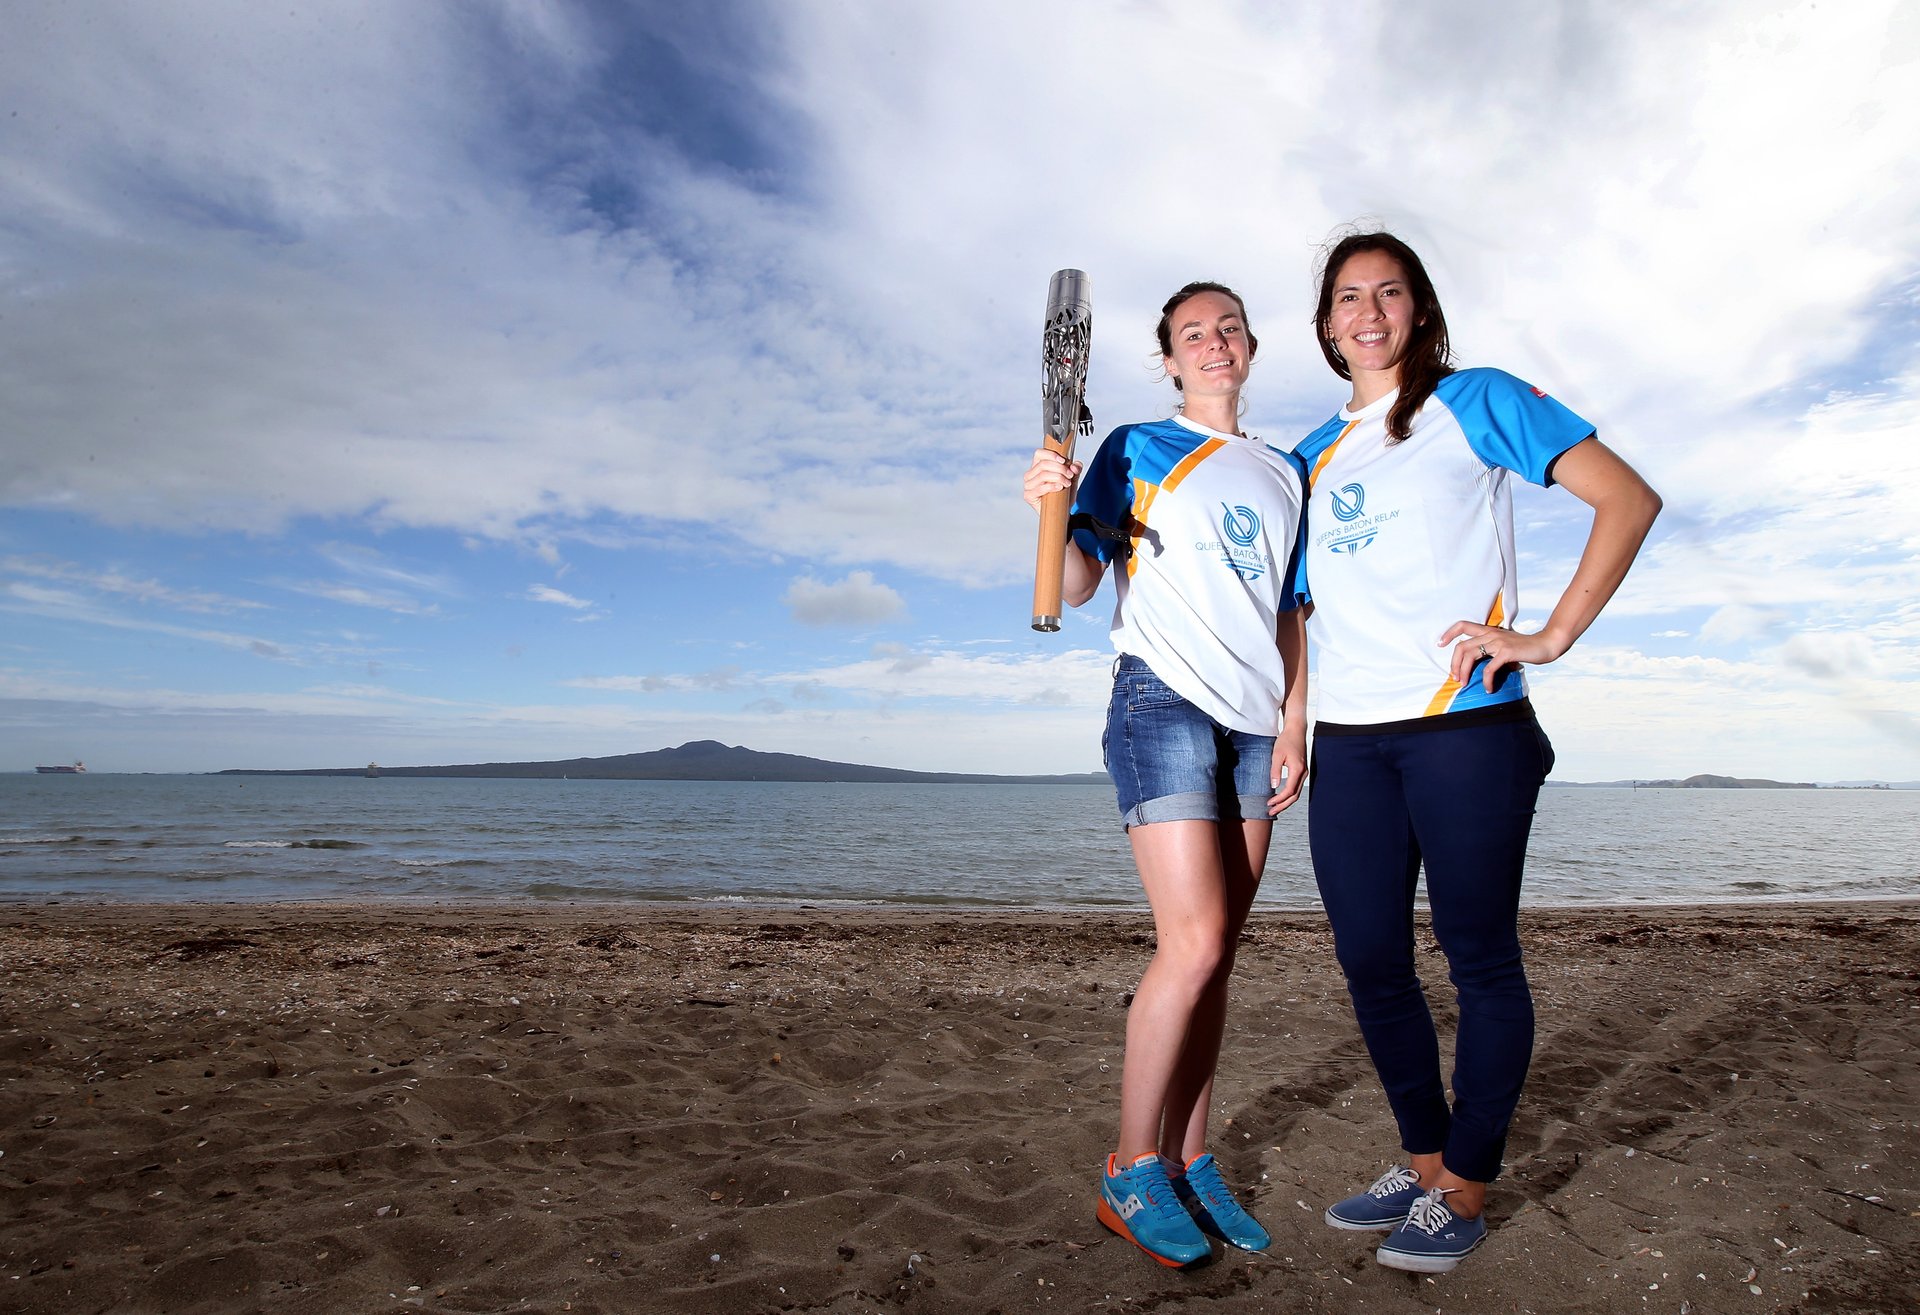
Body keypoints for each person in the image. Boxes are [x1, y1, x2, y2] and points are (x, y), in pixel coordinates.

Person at [1292, 230, 1662, 1273]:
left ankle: (1466, 1183)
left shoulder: (1476, 399)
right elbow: (1292, 606)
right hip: (1352, 744)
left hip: (1468, 729)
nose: (1369, 312)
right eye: (1349, 297)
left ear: (1419, 308)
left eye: (1390, 292)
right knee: (1369, 959)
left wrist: (1547, 635)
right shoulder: (1309, 456)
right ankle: (1422, 1160)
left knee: (1479, 957)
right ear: (1325, 324)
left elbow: (1626, 500)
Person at [1023, 281, 1310, 1268]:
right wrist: (1050, 507)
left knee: (1220, 954)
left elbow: (1291, 612)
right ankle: (1131, 1167)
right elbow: (1075, 582)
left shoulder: (1284, 469)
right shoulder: (1137, 448)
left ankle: (1192, 1162)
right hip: (1163, 704)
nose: (1215, 341)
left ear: (1251, 344)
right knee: (1188, 945)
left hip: (1256, 722)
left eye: (1229, 326)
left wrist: (1295, 722)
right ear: (1171, 359)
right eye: (1194, 332)